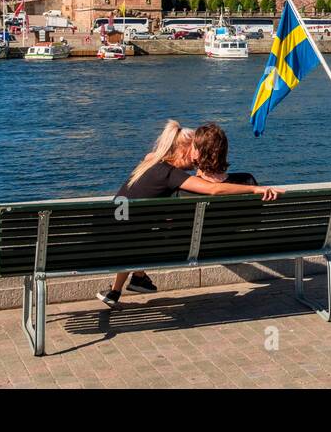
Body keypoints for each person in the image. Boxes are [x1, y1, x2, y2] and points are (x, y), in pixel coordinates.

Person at [98, 121, 281, 308]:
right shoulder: (172, 175)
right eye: (194, 150)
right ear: (184, 149)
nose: (195, 159)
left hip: (115, 233)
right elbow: (213, 189)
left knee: (140, 232)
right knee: (142, 233)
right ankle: (135, 279)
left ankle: (128, 283)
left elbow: (152, 155)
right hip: (133, 238)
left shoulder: (152, 164)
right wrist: (253, 189)